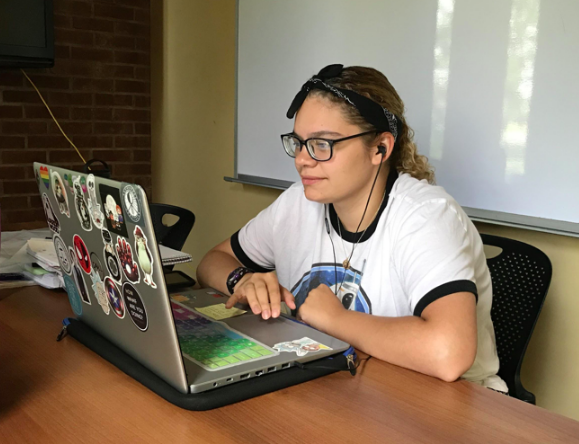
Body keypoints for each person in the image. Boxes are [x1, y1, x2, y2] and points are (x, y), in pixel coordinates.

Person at [197, 64, 507, 392]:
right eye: (299, 143)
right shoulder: (297, 203)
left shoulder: (427, 217)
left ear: (380, 148)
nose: (302, 159)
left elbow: (449, 354)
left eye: (322, 144)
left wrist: (334, 319)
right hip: (345, 389)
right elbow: (211, 262)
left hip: (454, 407)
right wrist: (241, 280)